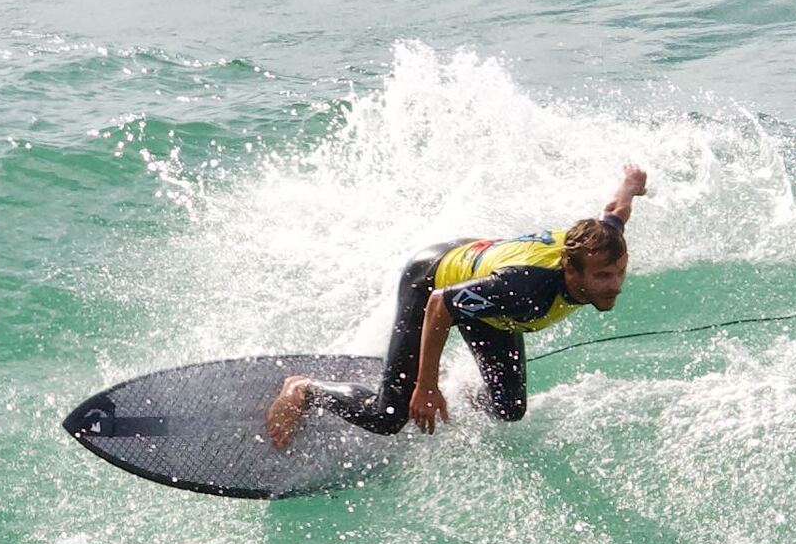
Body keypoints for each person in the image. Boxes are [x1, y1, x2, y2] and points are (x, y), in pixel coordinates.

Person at [265, 163, 647, 449]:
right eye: (602, 277)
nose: (615, 285)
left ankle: (452, 386)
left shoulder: (602, 244)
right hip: (433, 279)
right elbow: (441, 304)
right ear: (570, 268)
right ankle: (304, 390)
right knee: (388, 417)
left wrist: (631, 184)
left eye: (618, 273)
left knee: (510, 409)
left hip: (486, 291)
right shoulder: (524, 289)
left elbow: (616, 210)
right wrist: (426, 385)